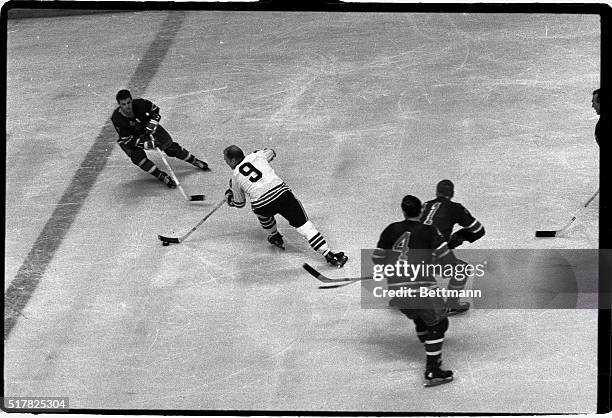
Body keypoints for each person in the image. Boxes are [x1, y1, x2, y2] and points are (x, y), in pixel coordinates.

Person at [373, 195, 458, 387]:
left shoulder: (391, 229)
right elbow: (448, 262)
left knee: (418, 312)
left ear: (403, 211)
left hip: (398, 292)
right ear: (421, 211)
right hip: (422, 289)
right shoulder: (429, 230)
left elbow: (377, 259)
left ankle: (421, 327)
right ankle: (433, 370)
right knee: (439, 324)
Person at [223, 145, 348, 267]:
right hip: (282, 195)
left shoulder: (235, 177)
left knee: (261, 212)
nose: (226, 162)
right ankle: (329, 254)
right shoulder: (258, 155)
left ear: (233, 160)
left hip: (262, 205)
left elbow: (239, 203)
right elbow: (272, 152)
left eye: (226, 160)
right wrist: (262, 152)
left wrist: (230, 198)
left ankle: (274, 236)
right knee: (305, 226)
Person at [111, 89, 210, 188]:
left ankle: (195, 161)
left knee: (170, 147)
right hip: (132, 138)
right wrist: (149, 144)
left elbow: (155, 110)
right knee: (137, 158)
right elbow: (128, 141)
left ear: (132, 100)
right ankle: (160, 175)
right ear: (119, 104)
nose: (127, 106)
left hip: (148, 128)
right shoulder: (117, 119)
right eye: (123, 104)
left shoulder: (140, 103)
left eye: (129, 102)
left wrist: (152, 123)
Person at [420, 179, 485, 315]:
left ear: (436, 192)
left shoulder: (424, 205)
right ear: (453, 193)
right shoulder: (455, 208)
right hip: (433, 253)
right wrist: (458, 238)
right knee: (462, 269)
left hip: (411, 252)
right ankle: (452, 303)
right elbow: (478, 230)